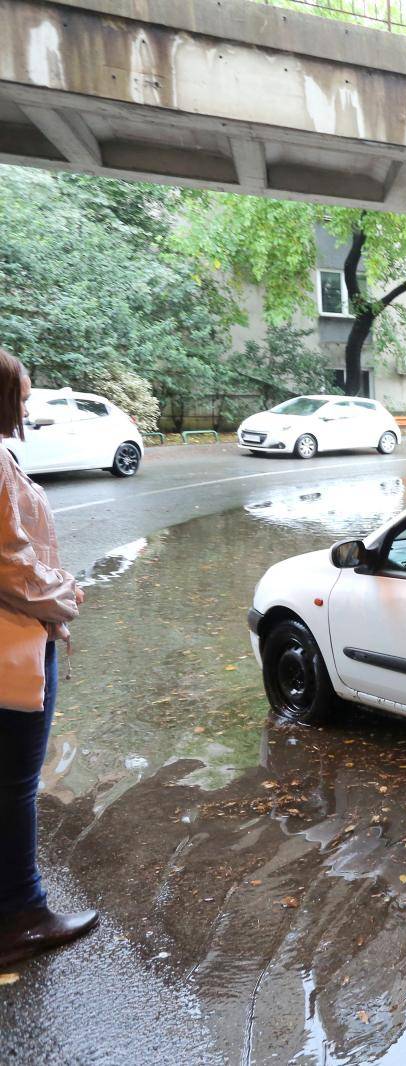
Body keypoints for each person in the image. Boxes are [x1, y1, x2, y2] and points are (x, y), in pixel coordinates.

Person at [0, 350, 98, 966]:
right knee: (13, 784)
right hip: (13, 643)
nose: (29, 409)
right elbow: (11, 567)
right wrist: (67, 595)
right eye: (23, 398)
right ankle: (21, 915)